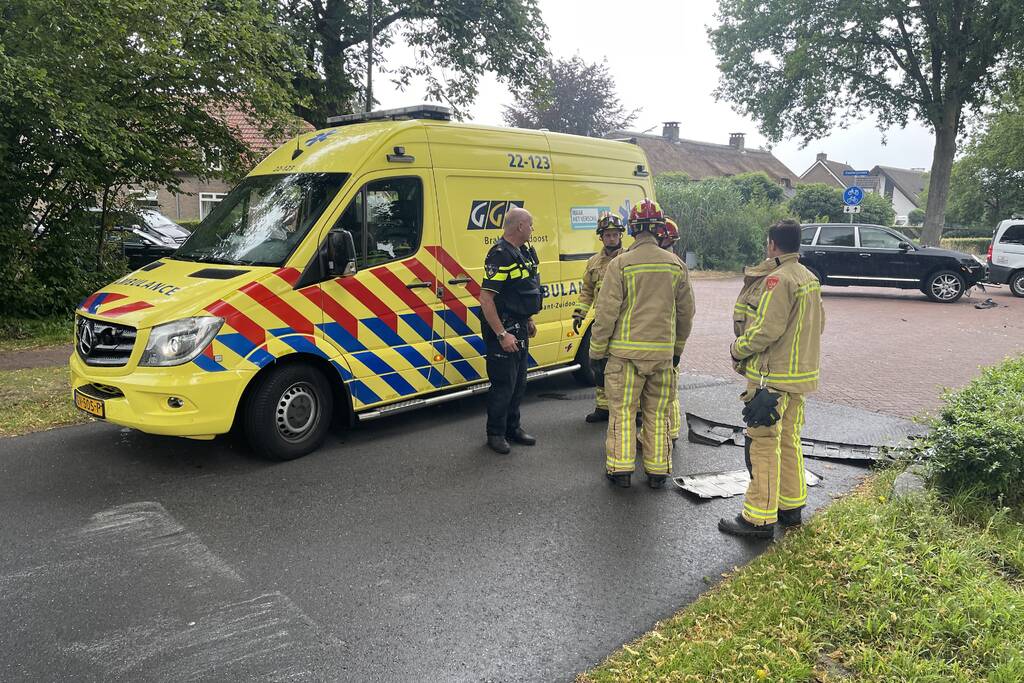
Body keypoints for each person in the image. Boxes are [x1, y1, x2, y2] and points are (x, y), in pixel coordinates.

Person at [719, 218, 825, 538]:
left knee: (762, 445)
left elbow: (767, 330)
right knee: (789, 442)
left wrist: (738, 348)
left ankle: (758, 519)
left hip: (770, 380)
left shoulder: (776, 281)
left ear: (772, 244)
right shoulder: (808, 278)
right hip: (797, 379)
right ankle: (790, 509)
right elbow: (817, 326)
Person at [589, 199, 695, 489]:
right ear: (660, 228)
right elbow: (686, 313)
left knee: (622, 412)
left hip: (624, 357)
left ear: (632, 230)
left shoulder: (620, 264)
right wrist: (677, 349)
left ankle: (621, 470)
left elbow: (606, 314)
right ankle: (658, 471)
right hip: (662, 357)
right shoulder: (676, 266)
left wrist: (596, 353)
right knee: (657, 414)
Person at [479, 207, 543, 455]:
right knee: (503, 384)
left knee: (519, 382)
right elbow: (486, 299)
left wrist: (527, 319)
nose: (532, 229)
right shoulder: (499, 255)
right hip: (503, 328)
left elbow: (522, 289)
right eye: (530, 225)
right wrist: (502, 334)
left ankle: (512, 428)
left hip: (519, 324)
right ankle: (495, 433)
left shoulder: (524, 252)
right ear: (519, 227)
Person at [572, 212, 626, 423]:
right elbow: (587, 291)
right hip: (602, 323)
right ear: (601, 237)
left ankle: (636, 411)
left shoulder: (628, 259)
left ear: (621, 236)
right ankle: (603, 408)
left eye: (615, 235)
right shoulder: (593, 262)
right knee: (599, 366)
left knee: (626, 368)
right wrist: (579, 314)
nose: (612, 238)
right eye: (608, 235)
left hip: (624, 323)